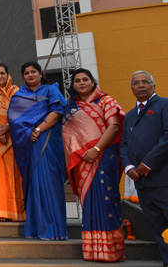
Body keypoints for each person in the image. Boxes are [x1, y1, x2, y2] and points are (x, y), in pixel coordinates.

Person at [62, 68, 125, 262]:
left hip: (104, 155)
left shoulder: (107, 101)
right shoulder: (71, 108)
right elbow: (69, 139)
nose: (81, 83)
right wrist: (85, 153)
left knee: (106, 198)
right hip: (83, 161)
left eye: (85, 79)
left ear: (92, 81)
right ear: (73, 85)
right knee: (89, 201)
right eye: (77, 81)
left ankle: (111, 251)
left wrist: (96, 150)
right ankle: (93, 250)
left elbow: (113, 127)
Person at [8, 61, 67, 240]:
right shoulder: (18, 96)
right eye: (27, 73)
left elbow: (57, 112)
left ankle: (55, 230)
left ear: (41, 74)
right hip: (30, 144)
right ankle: (37, 229)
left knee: (50, 183)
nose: (31, 75)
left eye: (34, 71)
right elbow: (14, 120)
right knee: (36, 184)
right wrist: (29, 132)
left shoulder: (50, 90)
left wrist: (39, 128)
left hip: (48, 141)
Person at [120, 70, 168, 265]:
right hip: (142, 183)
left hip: (163, 179)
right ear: (131, 88)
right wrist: (129, 167)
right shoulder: (130, 116)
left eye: (145, 82)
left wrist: (148, 163)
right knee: (158, 227)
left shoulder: (164, 105)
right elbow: (124, 145)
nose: (141, 86)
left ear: (153, 86)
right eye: (136, 83)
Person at [0, 63, 25, 222]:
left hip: (14, 138)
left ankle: (18, 212)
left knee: (14, 174)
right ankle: (0, 212)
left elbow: (22, 112)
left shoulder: (17, 92)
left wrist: (7, 128)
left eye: (2, 73)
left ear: (8, 75)